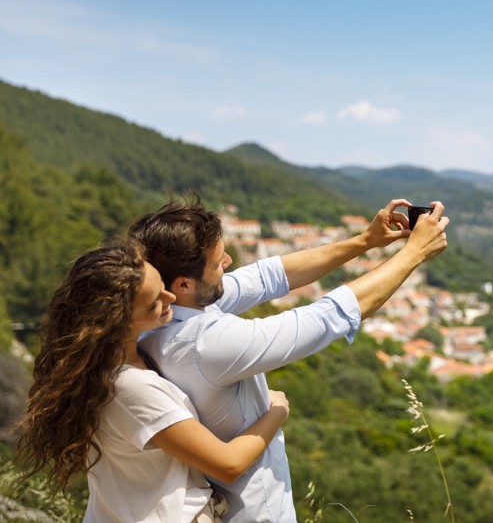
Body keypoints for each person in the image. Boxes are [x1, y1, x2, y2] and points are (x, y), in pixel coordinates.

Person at [129, 195, 449, 522]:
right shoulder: (203, 343)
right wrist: (413, 254)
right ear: (183, 283)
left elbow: (270, 276)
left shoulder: (163, 314)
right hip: (255, 511)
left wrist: (366, 241)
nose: (227, 261)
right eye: (217, 262)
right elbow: (327, 317)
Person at [15, 241, 291, 523]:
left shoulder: (109, 365)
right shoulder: (131, 389)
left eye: (162, 286)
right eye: (153, 303)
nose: (170, 298)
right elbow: (229, 464)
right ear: (117, 322)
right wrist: (277, 411)